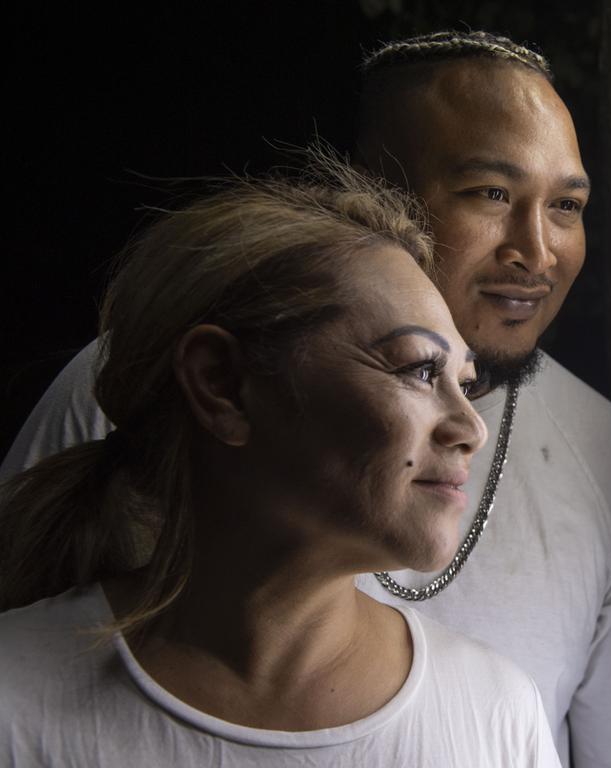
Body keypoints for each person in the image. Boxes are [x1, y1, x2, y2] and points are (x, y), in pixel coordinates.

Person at [1, 30, 611, 767]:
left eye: (565, 204)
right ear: (370, 190)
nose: (537, 249)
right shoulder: (138, 384)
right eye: (490, 193)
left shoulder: (606, 471)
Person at [0, 160, 561, 766]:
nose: (471, 428)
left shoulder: (495, 715)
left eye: (465, 382)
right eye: (420, 369)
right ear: (223, 384)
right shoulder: (15, 702)